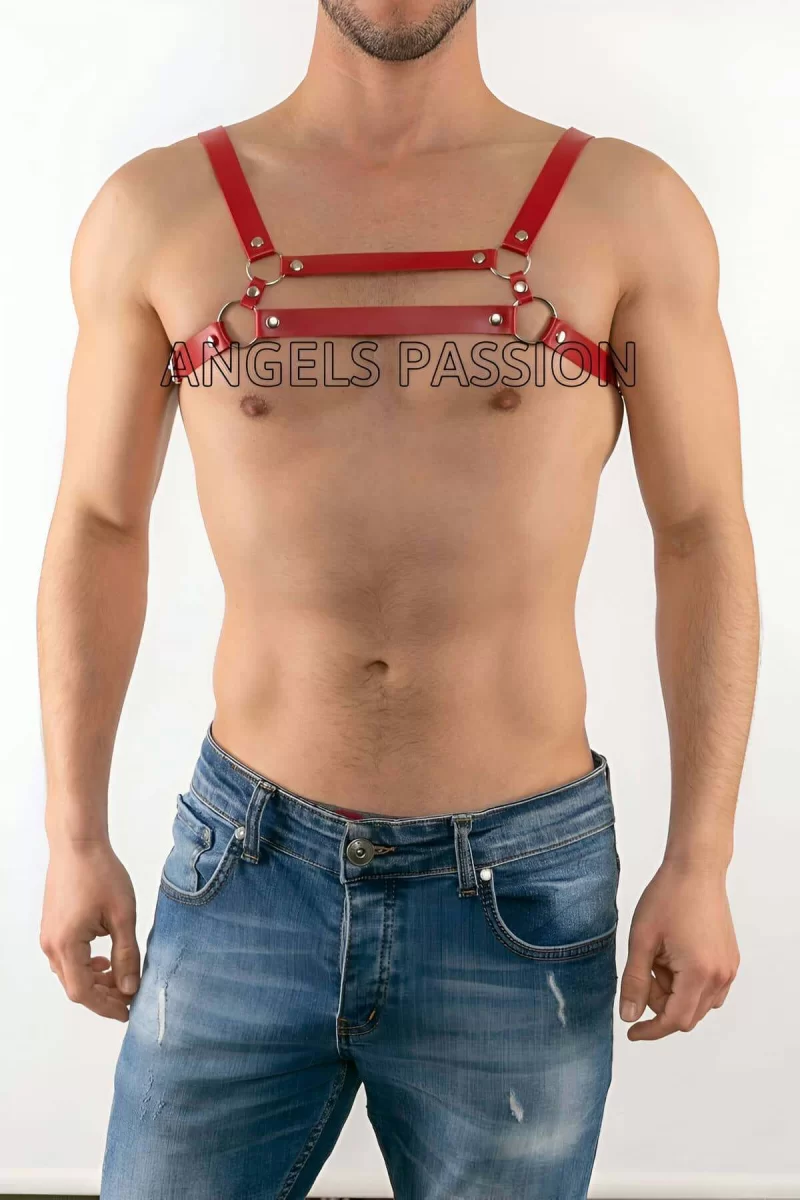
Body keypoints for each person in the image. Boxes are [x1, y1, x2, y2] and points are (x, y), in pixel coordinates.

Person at [37, 2, 758, 1196]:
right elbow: (98, 524)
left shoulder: (625, 210)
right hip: (242, 868)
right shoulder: (158, 211)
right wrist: (72, 836)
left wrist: (702, 855)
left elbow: (700, 535)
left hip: (520, 886)